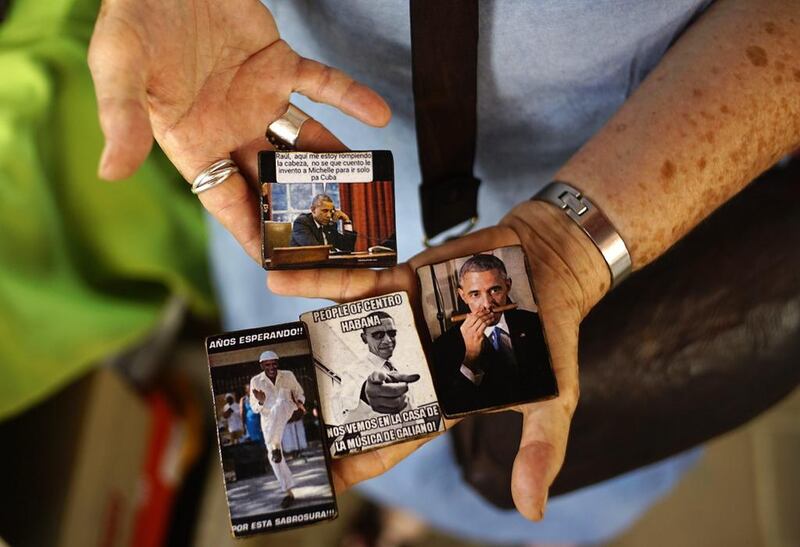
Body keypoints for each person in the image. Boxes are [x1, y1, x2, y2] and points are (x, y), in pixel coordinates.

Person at [88, 0, 800, 542]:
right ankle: (405, 502)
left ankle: (411, 505)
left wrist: (573, 244)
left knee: (535, 437)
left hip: (630, 164)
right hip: (292, 113)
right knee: (327, 387)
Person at [432, 254, 555, 416]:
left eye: (495, 290)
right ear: (463, 296)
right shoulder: (444, 346)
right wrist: (470, 357)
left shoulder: (536, 323)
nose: (487, 304)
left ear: (508, 285)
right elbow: (454, 409)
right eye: (475, 294)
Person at [335, 311, 421, 424]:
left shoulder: (399, 369)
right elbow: (345, 410)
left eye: (391, 333)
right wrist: (364, 395)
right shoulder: (352, 372)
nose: (388, 340)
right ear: (364, 338)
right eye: (378, 335)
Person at [249, 349, 306, 509]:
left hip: (287, 408)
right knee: (274, 457)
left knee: (281, 401)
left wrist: (300, 403)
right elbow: (254, 408)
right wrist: (260, 401)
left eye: (274, 364)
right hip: (268, 419)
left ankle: (274, 446)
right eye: (267, 365)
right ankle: (288, 492)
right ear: (262, 365)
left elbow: (299, 393)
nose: (272, 367)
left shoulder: (288, 375)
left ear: (278, 364)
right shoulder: (256, 381)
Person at [289, 193, 356, 251]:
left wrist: (347, 221)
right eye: (325, 211)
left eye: (331, 211)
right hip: (306, 264)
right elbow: (315, 250)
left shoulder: (329, 225)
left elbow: (348, 247)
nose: (329, 215)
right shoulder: (301, 223)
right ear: (313, 210)